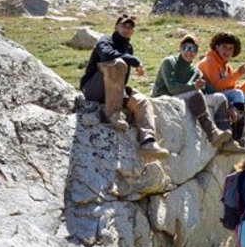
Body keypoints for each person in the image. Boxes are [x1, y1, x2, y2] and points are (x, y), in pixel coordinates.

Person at [78, 14, 169, 162]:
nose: (127, 29)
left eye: (130, 27)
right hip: (93, 89)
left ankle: (148, 142)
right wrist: (134, 60)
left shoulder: (128, 47)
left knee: (142, 102)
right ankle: (112, 113)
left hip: (115, 90)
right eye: (123, 26)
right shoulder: (105, 41)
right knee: (117, 63)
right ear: (116, 27)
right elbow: (107, 55)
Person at [152, 34, 234, 148]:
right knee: (196, 93)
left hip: (184, 97)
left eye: (193, 49)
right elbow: (172, 88)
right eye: (186, 48)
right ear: (180, 49)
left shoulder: (195, 71)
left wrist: (230, 106)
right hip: (164, 99)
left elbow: (210, 89)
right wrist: (194, 86)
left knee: (219, 98)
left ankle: (227, 142)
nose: (189, 52)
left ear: (197, 52)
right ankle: (212, 132)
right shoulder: (169, 62)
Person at [199, 32, 245, 143]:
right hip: (209, 95)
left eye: (230, 48)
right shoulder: (209, 61)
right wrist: (237, 74)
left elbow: (234, 88)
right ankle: (238, 136)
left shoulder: (226, 66)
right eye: (224, 47)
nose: (227, 51)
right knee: (237, 94)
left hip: (221, 94)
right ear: (217, 47)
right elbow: (217, 86)